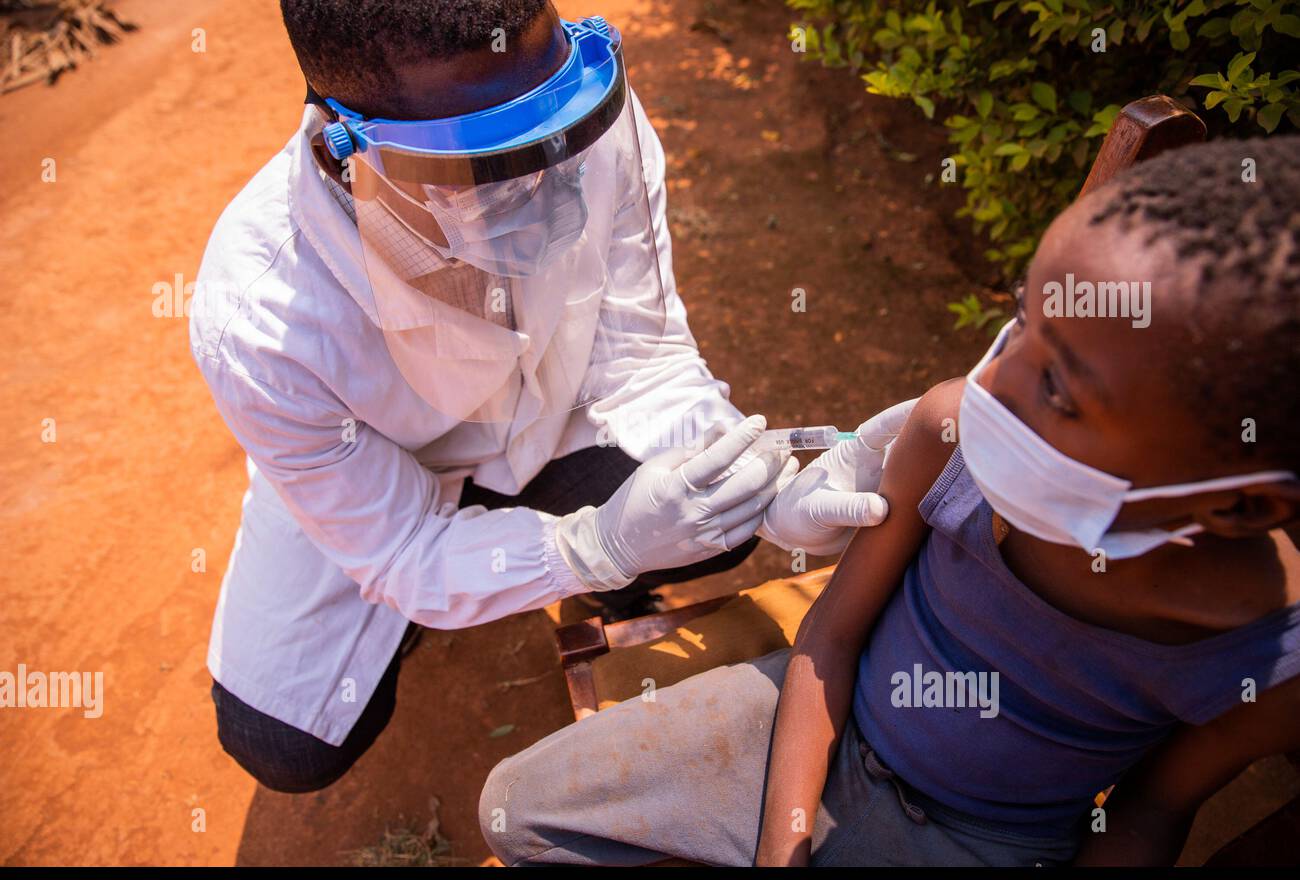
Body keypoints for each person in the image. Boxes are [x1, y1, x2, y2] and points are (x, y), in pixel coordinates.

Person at [478, 135, 1300, 866]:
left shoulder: (1266, 656)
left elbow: (1154, 808)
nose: (989, 388)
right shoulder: (949, 433)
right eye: (1022, 319)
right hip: (813, 725)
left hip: (986, 845)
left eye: (1058, 387)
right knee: (520, 812)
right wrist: (784, 840)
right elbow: (830, 637)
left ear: (1241, 509)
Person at [190, 0, 915, 793]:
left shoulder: (591, 124)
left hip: (545, 424)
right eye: (487, 167)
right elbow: (395, 549)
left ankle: (534, 553)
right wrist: (594, 547)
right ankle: (444, 600)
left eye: (555, 133)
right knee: (288, 745)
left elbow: (645, 357)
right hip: (371, 483)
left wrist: (773, 488)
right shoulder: (260, 322)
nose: (553, 184)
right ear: (344, 153)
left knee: (718, 520)